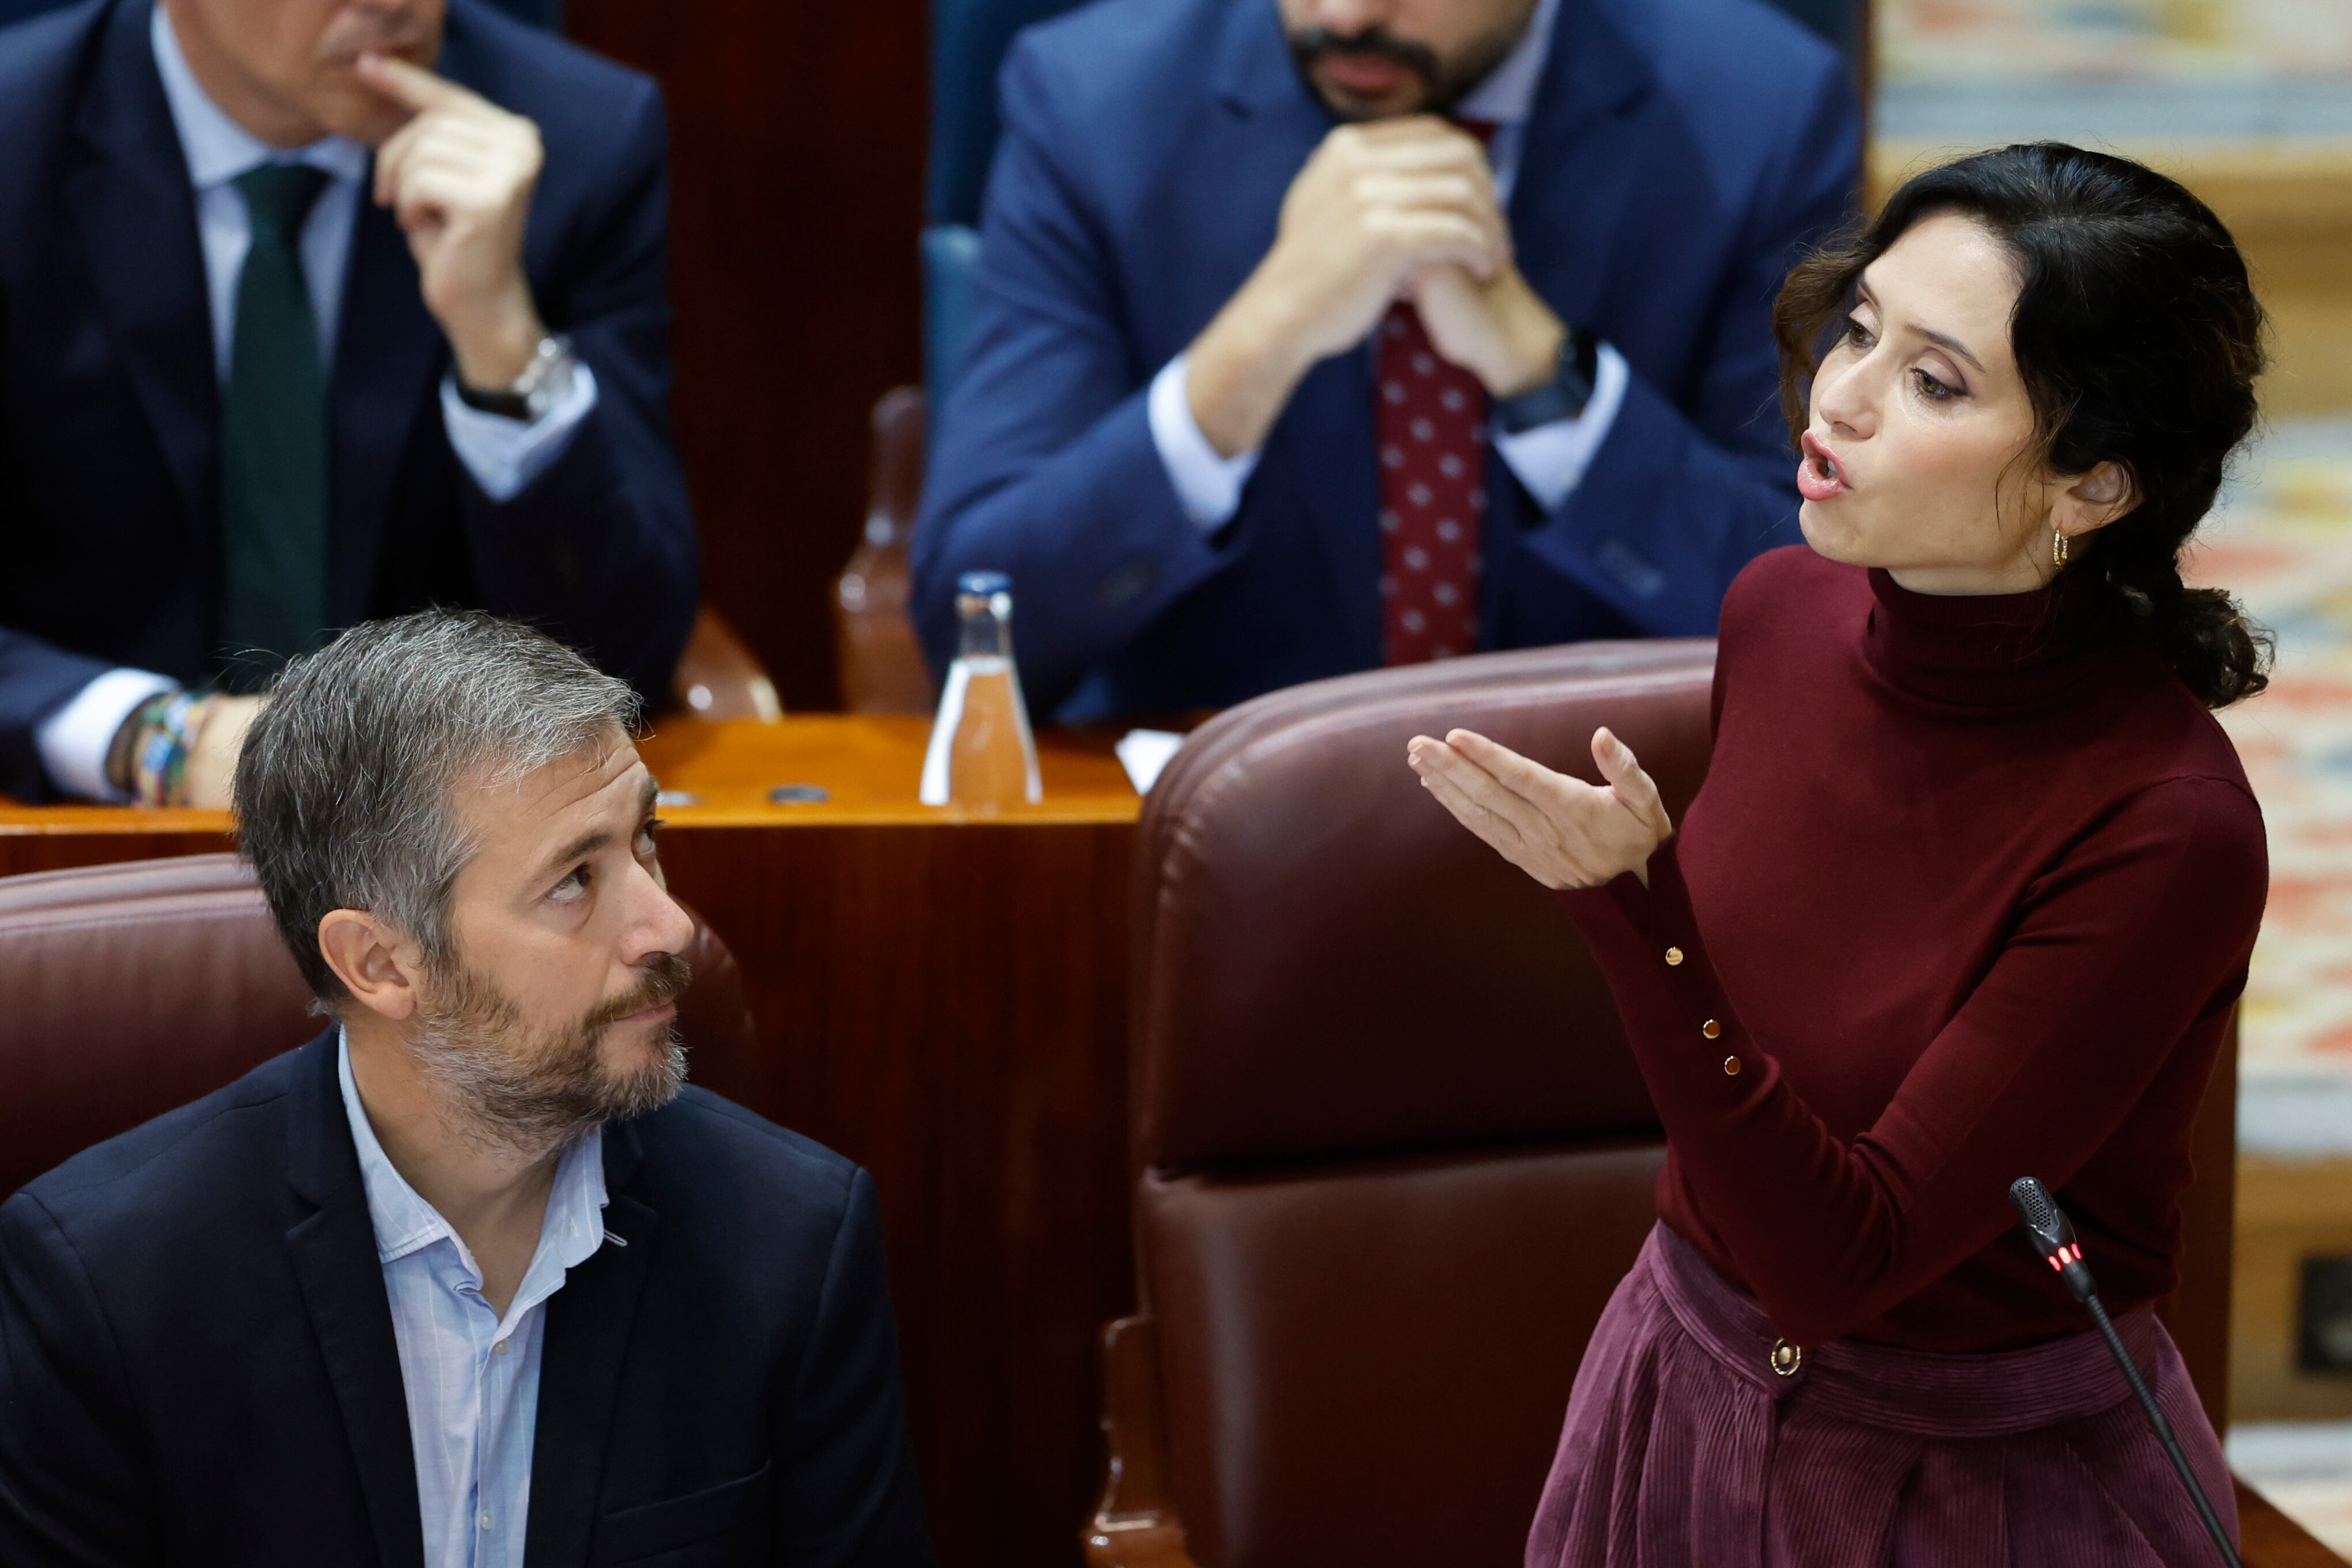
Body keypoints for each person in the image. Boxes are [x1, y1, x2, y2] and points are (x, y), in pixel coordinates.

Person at [1408, 142, 2270, 1563]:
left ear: (2091, 486)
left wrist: (1638, 914)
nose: (1841, 396)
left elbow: (1838, 1261)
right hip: (1673, 1393)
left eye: (1935, 381)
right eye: (1858, 327)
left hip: (1977, 1482)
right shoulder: (1780, 613)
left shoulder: (2164, 826)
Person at [0, 613, 933, 1567]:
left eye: (643, 840)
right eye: (573, 879)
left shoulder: (795, 1246)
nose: (670, 926)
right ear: (380, 964)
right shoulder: (109, 1290)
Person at [912, 0, 1860, 723]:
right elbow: (972, 629)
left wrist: (1548, 383)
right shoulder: (1096, 102)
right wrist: (1256, 345)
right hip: (1213, 845)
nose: (1345, 16)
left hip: (1606, 848)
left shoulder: (1760, 116)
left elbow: (1822, 614)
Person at [0, 0, 698, 807]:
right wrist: (154, 738)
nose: (396, 4)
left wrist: (502, 338)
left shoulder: (575, 142)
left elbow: (625, 653)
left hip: (433, 840)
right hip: (63, 825)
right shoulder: (19, 133)